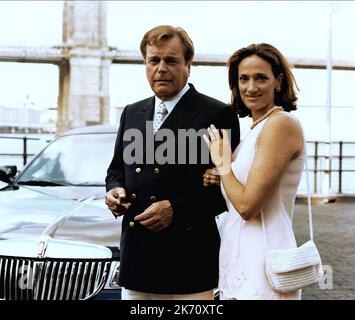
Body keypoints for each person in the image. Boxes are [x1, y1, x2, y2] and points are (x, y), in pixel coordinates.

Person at [105, 25, 240, 300]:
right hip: (135, 261)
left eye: (171, 60)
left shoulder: (218, 114)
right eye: (154, 60)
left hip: (188, 265)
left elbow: (227, 190)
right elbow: (116, 169)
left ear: (188, 65)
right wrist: (113, 191)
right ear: (145, 64)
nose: (161, 68)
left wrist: (175, 209)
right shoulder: (132, 112)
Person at [203, 43, 304, 300]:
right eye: (243, 79)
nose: (251, 87)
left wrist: (223, 165)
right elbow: (248, 184)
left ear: (278, 81)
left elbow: (248, 206)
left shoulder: (280, 125)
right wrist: (221, 177)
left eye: (261, 78)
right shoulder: (256, 129)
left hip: (265, 261)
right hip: (239, 260)